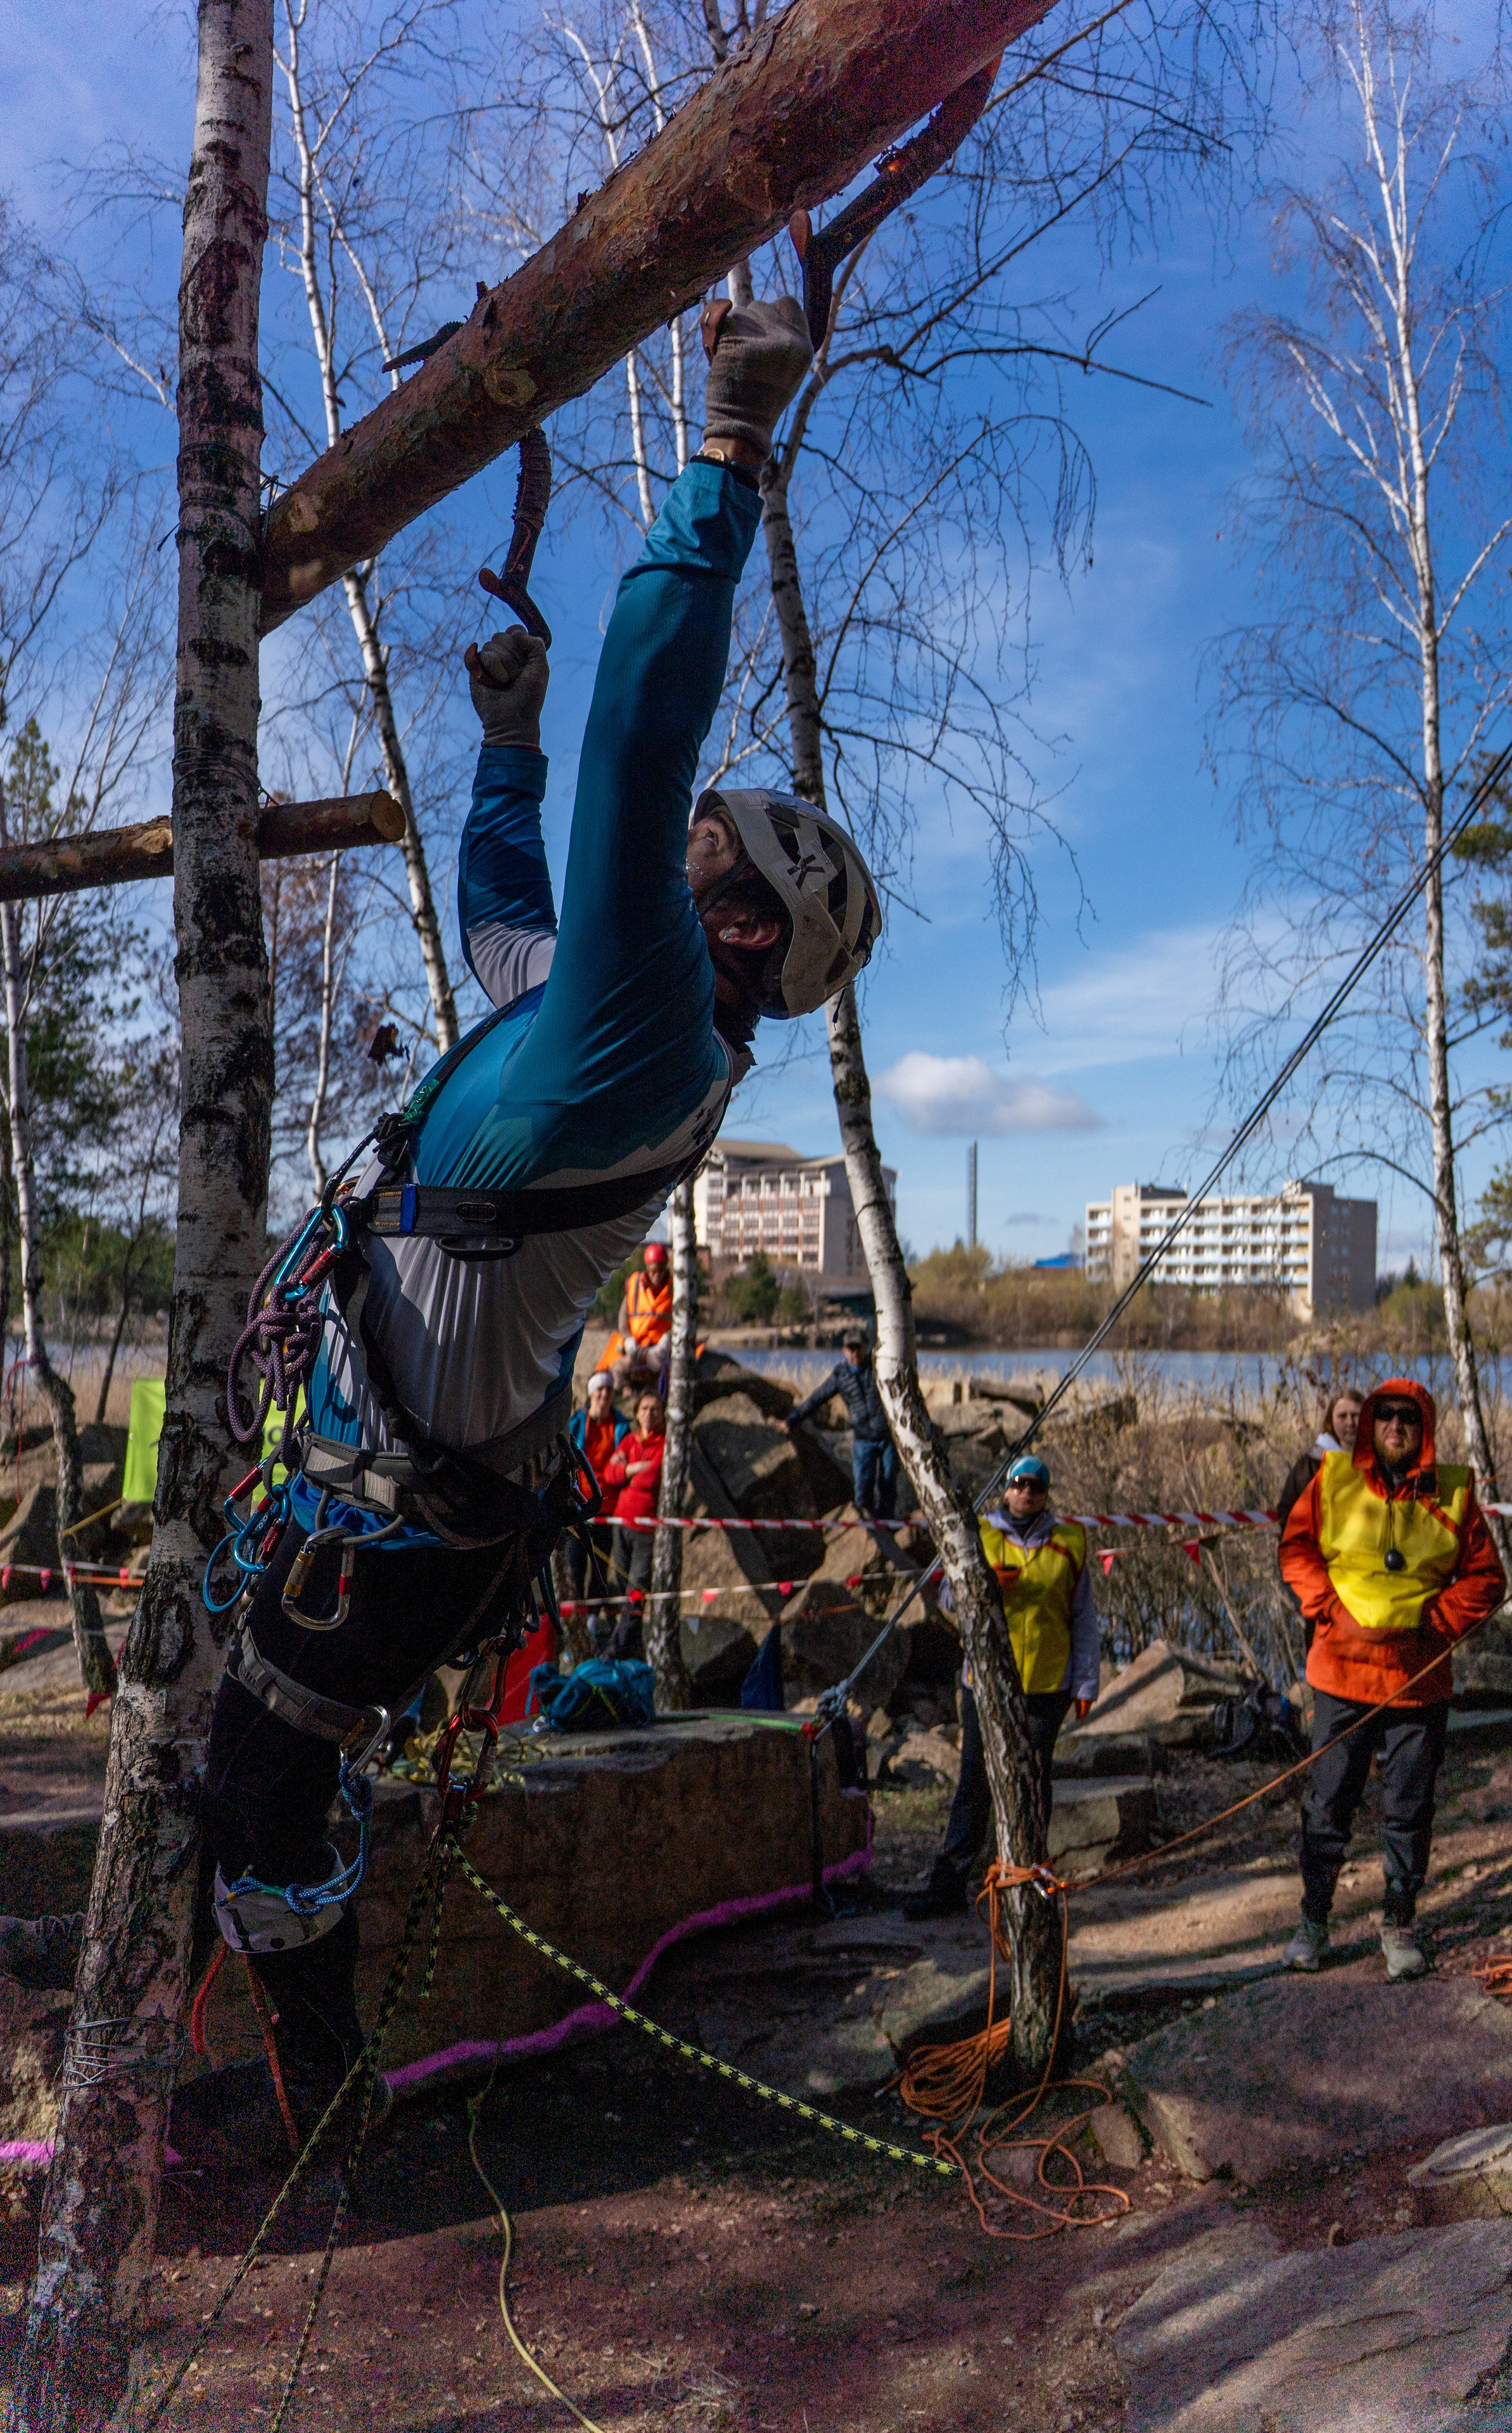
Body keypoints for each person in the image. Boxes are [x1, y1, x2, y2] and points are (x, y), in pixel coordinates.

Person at [193, 288, 881, 2155]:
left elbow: (646, 729)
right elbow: (509, 905)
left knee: (253, 1769)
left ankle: (320, 2085)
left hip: (415, 1510)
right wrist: (503, 735)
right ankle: (264, 1991)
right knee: (222, 1730)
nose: (684, 838)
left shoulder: (654, 1024)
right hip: (390, 1465)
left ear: (743, 931)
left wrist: (722, 462)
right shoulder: (595, 1014)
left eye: (714, 846)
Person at [1278, 1377, 1505, 1981]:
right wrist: (1326, 1608)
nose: (1396, 1427)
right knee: (1328, 1806)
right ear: (1371, 1424)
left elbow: (1486, 1578)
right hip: (1340, 1674)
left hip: (1418, 1680)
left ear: (1423, 1428)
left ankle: (1398, 1923)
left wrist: (1437, 1623)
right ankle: (1314, 1922)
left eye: (1408, 1418)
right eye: (1386, 1417)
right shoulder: (1333, 1480)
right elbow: (1295, 1551)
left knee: (1409, 1809)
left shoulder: (1453, 1494)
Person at [906, 1455, 1099, 1919]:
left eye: (1035, 1486)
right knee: (974, 1781)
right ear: (1006, 1490)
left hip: (1048, 1684)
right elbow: (950, 1596)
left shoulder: (1069, 1541)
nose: (1026, 1492)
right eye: (1018, 1484)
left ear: (1045, 1493)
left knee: (1032, 1780)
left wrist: (1087, 1681)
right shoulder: (980, 1534)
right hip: (987, 1682)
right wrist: (985, 1584)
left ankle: (1028, 1875)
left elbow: (1084, 1617)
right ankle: (948, 1883)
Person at [772, 1326, 899, 1522]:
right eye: (851, 1349)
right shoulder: (841, 1375)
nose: (855, 1353)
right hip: (863, 1439)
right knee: (863, 1487)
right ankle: (867, 1527)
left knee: (888, 1482)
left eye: (859, 1348)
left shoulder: (879, 1368)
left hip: (886, 1437)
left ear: (866, 1348)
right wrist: (792, 1420)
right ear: (845, 1351)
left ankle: (888, 1525)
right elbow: (817, 1398)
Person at [556, 1372, 631, 1644]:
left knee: (599, 1566)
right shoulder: (578, 1422)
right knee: (575, 1565)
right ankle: (573, 1622)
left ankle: (593, 1617)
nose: (604, 1396)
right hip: (578, 1505)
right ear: (591, 1394)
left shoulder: (622, 1426)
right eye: (599, 1391)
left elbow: (623, 1463)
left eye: (609, 1391)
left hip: (607, 1507)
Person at [600, 1388, 668, 1651]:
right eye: (644, 1409)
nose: (649, 1414)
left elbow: (651, 1477)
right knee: (619, 1585)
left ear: (662, 1414)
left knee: (636, 1589)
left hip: (645, 1527)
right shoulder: (629, 1440)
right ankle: (633, 1646)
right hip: (620, 1521)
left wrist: (627, 1471)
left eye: (655, 1409)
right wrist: (630, 1469)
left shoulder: (664, 1444)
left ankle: (615, 1649)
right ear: (637, 1413)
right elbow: (609, 1473)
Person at [1276, 1386, 1363, 1537]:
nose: (1350, 1423)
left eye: (1356, 1415)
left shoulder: (1382, 1463)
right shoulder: (1313, 1464)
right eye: (1342, 1416)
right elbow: (1290, 1517)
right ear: (1331, 1420)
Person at [600, 1242, 673, 1392]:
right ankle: (625, 1398)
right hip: (636, 1347)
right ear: (647, 1268)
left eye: (661, 1270)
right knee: (618, 1370)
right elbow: (623, 1318)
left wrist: (668, 1339)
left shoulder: (675, 1288)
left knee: (661, 1373)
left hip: (659, 1350)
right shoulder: (634, 1285)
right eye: (653, 1271)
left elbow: (682, 1321)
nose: (657, 1275)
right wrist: (628, 1340)